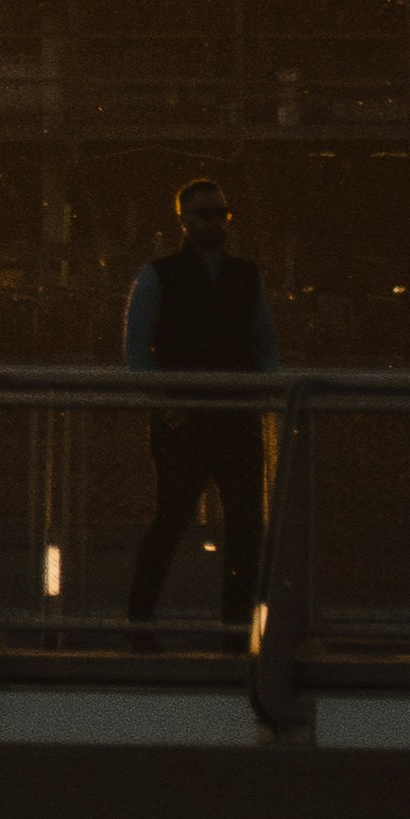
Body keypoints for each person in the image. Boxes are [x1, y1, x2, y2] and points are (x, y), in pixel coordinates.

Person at [114, 176, 276, 636]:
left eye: (220, 213)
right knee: (176, 520)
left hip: (215, 417)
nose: (215, 221)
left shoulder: (165, 275)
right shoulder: (167, 275)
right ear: (183, 221)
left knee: (240, 526)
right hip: (197, 418)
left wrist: (262, 387)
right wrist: (164, 401)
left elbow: (265, 342)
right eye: (205, 214)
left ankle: (212, 624)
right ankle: (153, 620)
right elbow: (135, 348)